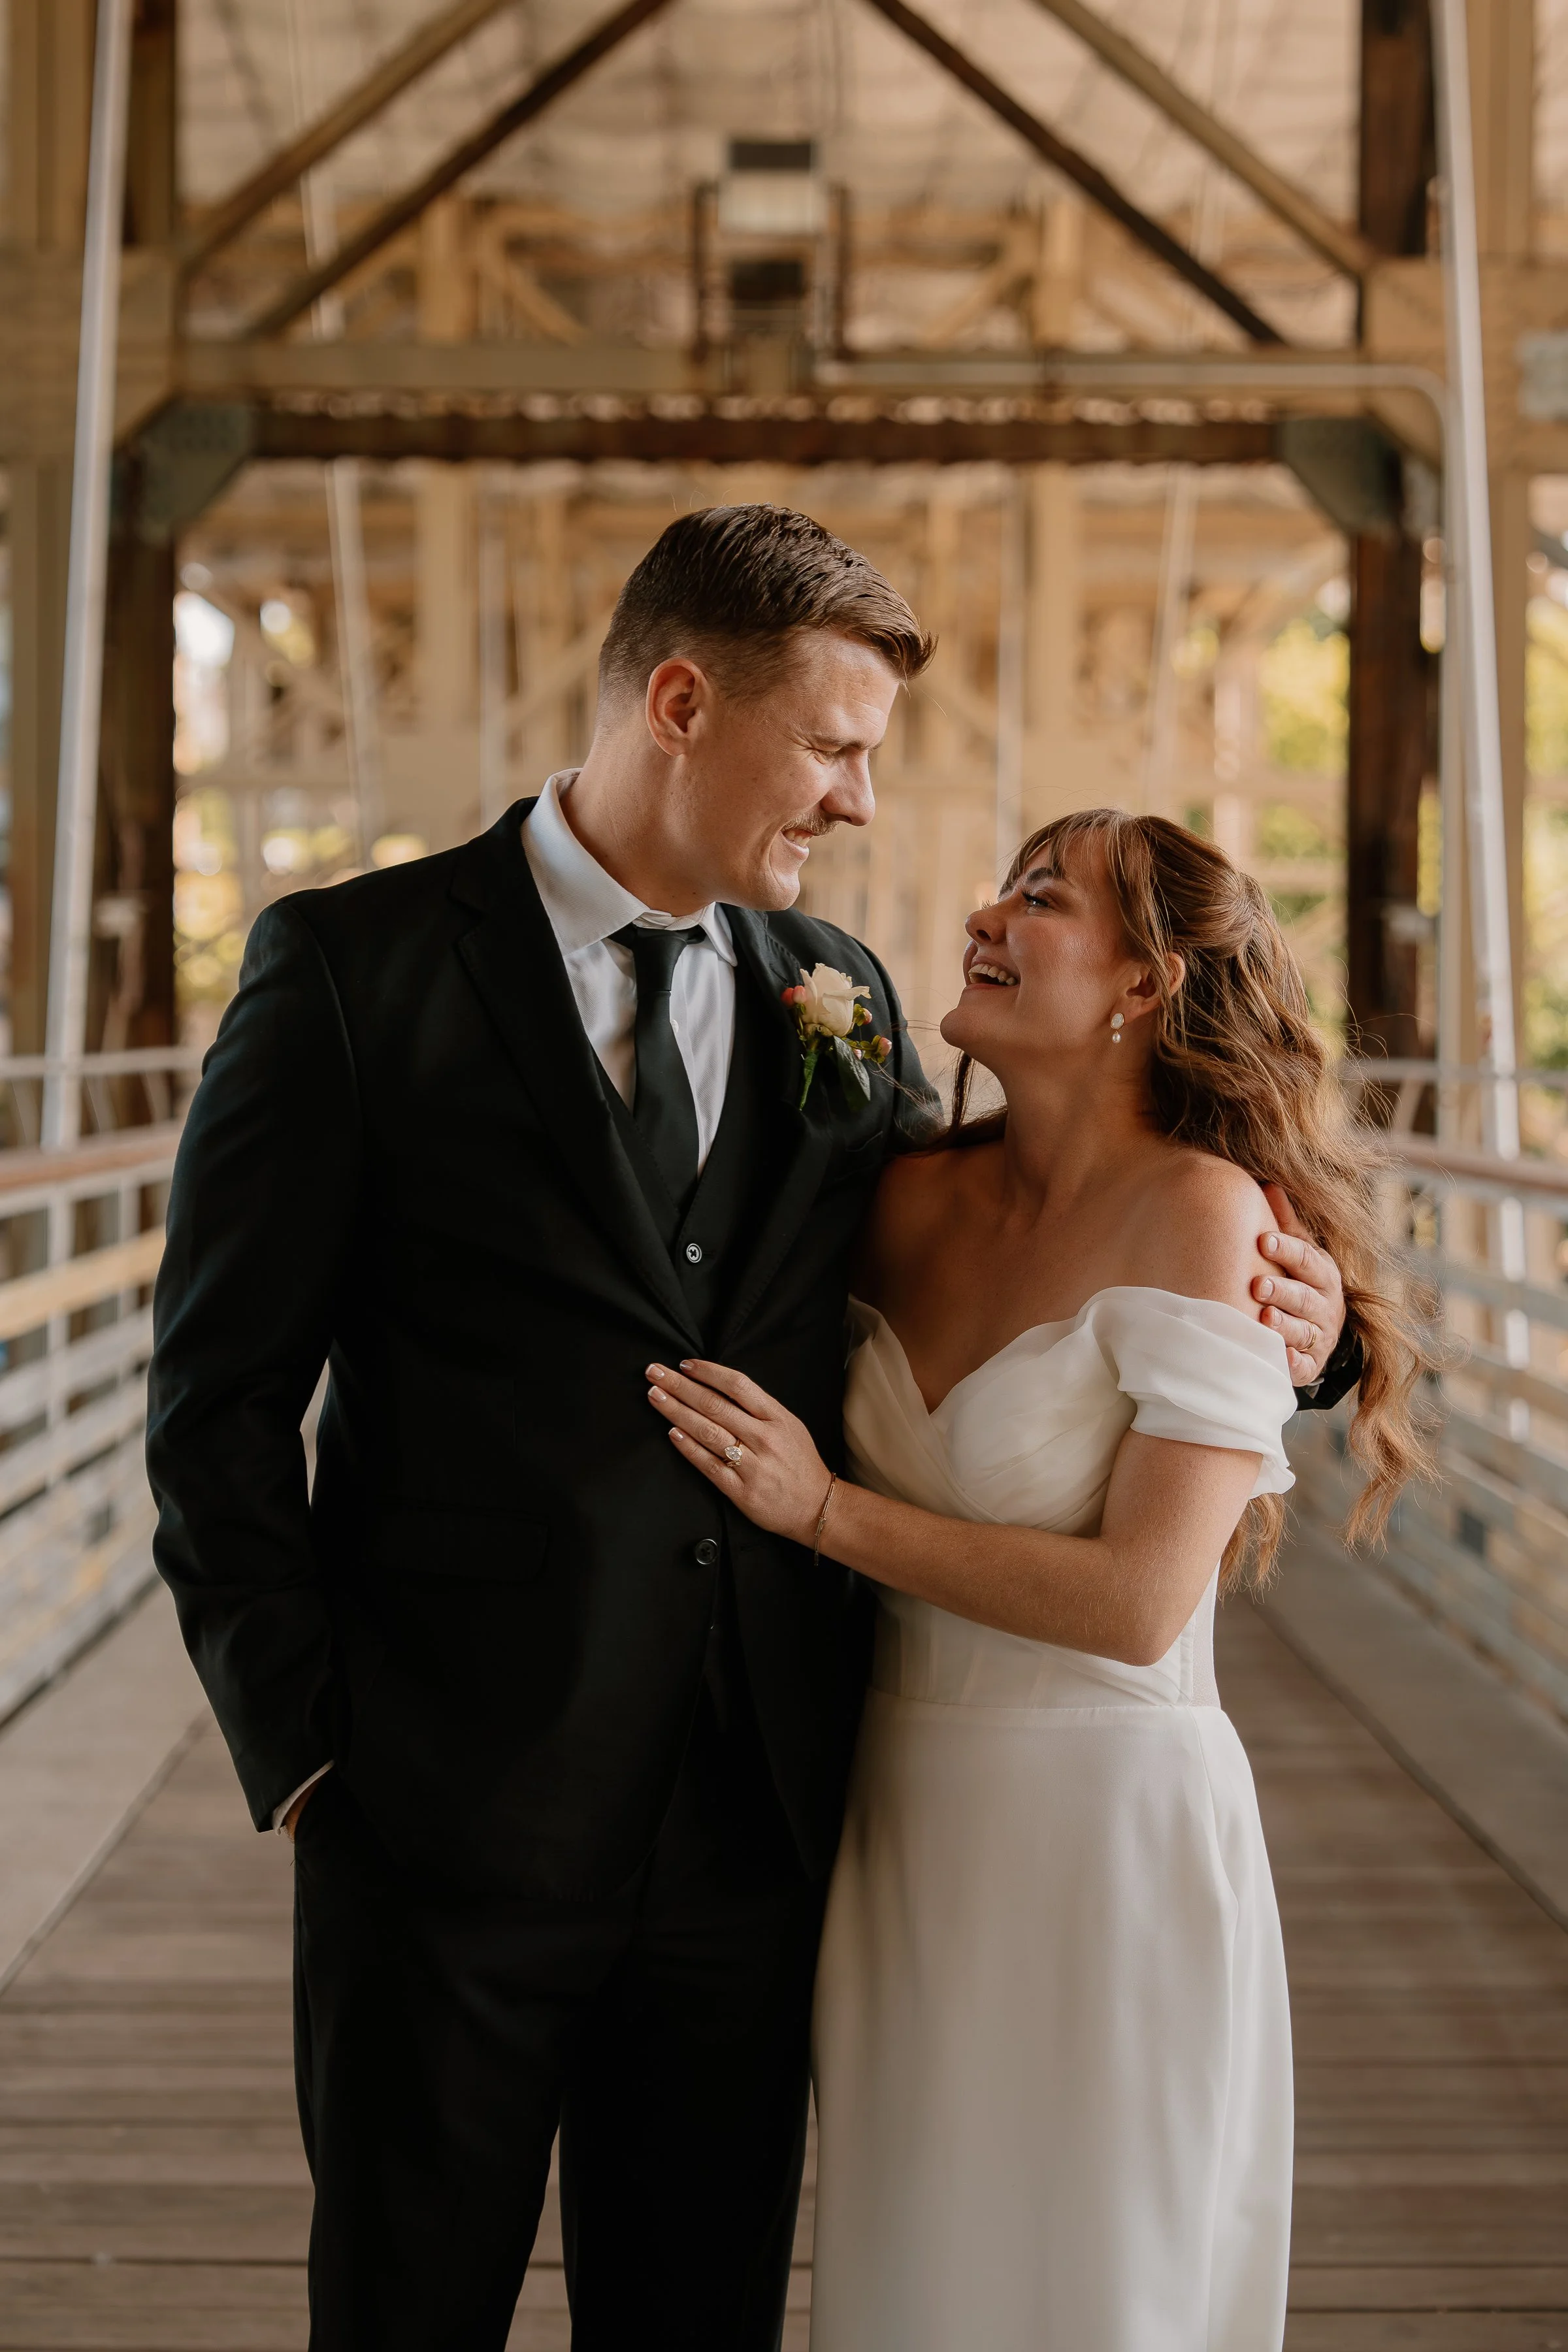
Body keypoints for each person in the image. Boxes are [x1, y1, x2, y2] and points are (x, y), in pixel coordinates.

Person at [147, 509, 1353, 2352]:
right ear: (686, 700)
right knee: (406, 2310)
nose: (864, 805)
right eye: (839, 748)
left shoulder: (840, 996)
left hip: (760, 1835)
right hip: (444, 1817)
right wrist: (306, 1752)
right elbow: (216, 1397)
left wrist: (1314, 1335)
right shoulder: (350, 971)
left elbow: (1046, 1250)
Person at [643, 807, 1426, 2352]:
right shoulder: (895, 1194)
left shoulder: (1210, 1218)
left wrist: (824, 1512)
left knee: (1093, 2284)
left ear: (1143, 984)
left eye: (1041, 899)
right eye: (998, 882)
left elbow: (1140, 1604)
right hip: (895, 1818)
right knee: (916, 2274)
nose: (984, 916)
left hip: (1107, 1836)